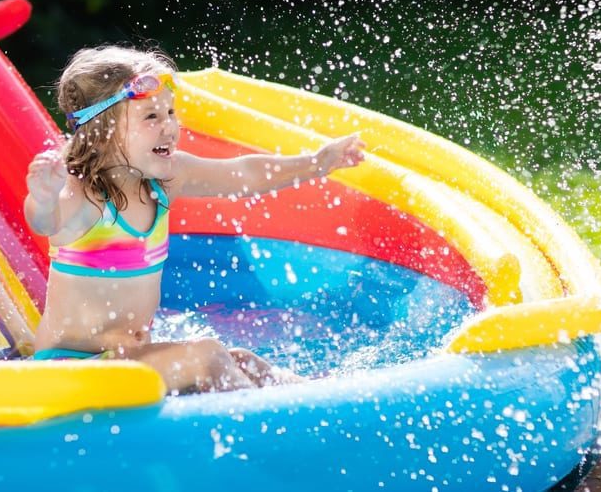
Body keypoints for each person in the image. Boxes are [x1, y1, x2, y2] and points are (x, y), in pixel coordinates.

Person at [25, 45, 365, 395]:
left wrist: (316, 163)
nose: (169, 127)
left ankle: (327, 400)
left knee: (245, 360)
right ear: (103, 132)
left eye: (170, 113)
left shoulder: (167, 179)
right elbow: (46, 221)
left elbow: (242, 174)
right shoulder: (86, 197)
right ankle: (260, 438)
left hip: (125, 361)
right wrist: (45, 196)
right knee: (207, 356)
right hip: (70, 369)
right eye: (151, 118)